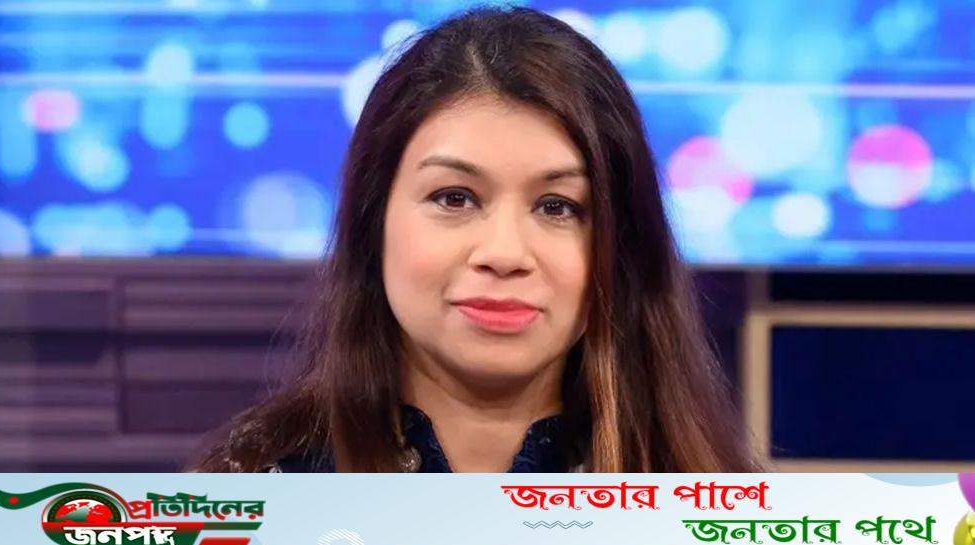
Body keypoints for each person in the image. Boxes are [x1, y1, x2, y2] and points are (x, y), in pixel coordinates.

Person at [186, 6, 761, 474]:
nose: (504, 254)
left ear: (623, 246)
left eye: (557, 207)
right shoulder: (253, 503)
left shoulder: (718, 521)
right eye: (455, 198)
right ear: (373, 219)